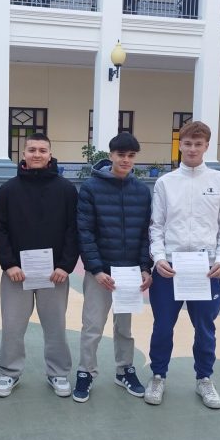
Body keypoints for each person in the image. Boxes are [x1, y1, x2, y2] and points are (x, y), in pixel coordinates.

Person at [145, 121, 220, 409]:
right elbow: (156, 226)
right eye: (187, 143)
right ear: (180, 145)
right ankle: (158, 375)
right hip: (169, 269)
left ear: (207, 146)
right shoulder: (165, 183)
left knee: (205, 328)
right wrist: (158, 258)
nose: (193, 149)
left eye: (198, 144)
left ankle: (204, 379)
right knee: (163, 326)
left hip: (205, 269)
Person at [0, 133, 79, 398]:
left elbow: (74, 229)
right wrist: (9, 264)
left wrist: (65, 266)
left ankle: (58, 373)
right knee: (12, 326)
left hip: (55, 274)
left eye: (42, 150)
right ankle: (9, 372)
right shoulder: (9, 189)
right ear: (24, 154)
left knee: (55, 326)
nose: (37, 154)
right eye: (32, 150)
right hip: (17, 274)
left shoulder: (66, 189)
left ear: (50, 154)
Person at [73, 132, 152, 403]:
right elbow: (84, 231)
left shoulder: (141, 191)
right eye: (121, 155)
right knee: (92, 326)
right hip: (101, 273)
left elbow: (145, 233)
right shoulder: (91, 188)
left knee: (124, 329)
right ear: (111, 155)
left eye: (131, 156)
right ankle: (85, 372)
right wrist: (96, 269)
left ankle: (124, 370)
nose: (126, 160)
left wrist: (145, 267)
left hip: (129, 273)